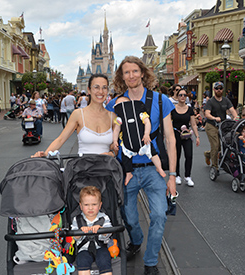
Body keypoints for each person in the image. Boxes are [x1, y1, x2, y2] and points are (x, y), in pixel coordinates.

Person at [106, 56, 176, 275]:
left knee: (159, 215)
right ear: (121, 77)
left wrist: (172, 176)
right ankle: (135, 240)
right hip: (126, 170)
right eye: (126, 72)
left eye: (135, 71)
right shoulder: (115, 103)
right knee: (129, 217)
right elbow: (110, 133)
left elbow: (170, 139)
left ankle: (151, 261)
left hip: (153, 169)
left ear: (143, 73)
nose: (131, 76)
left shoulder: (160, 100)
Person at [32, 74, 117, 158]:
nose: (101, 92)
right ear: (89, 90)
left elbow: (116, 146)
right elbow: (61, 139)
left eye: (104, 88)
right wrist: (45, 154)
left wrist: (112, 153)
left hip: (106, 168)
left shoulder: (112, 117)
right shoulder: (78, 114)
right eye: (96, 87)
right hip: (84, 168)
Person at [113, 96, 166, 186]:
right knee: (126, 158)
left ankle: (159, 168)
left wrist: (146, 134)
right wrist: (115, 140)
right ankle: (129, 173)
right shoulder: (119, 118)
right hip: (127, 145)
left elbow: (147, 122)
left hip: (143, 141)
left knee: (153, 154)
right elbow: (116, 130)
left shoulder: (140, 113)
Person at [71, 186, 112, 275]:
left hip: (101, 247)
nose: (90, 208)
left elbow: (108, 233)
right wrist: (80, 231)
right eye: (86, 205)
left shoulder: (104, 218)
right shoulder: (77, 219)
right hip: (84, 249)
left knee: (104, 258)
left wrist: (101, 229)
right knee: (82, 260)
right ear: (81, 206)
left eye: (94, 204)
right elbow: (74, 238)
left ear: (100, 205)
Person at [204, 82, 238, 168]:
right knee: (215, 146)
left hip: (222, 126)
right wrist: (214, 118)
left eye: (220, 88)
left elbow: (232, 110)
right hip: (211, 125)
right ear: (214, 90)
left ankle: (208, 154)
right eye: (217, 88)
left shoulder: (226, 100)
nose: (219, 90)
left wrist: (236, 118)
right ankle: (215, 166)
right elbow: (207, 114)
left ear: (223, 89)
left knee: (221, 146)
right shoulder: (211, 101)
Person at [171, 88, 200, 186]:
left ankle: (188, 176)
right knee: (177, 155)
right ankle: (177, 175)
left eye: (184, 95)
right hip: (176, 134)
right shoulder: (173, 108)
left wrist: (197, 136)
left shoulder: (190, 109)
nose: (183, 97)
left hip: (186, 135)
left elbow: (193, 124)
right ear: (177, 96)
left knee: (189, 155)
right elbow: (168, 124)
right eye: (180, 95)